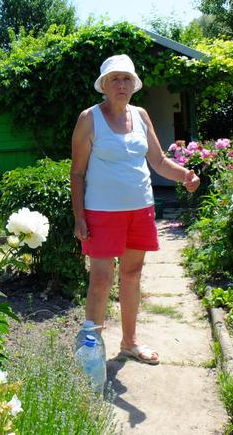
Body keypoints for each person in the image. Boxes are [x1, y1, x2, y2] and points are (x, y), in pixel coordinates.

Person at [70, 54, 200, 365]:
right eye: (114, 78)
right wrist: (79, 216)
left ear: (134, 84)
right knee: (101, 278)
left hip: (140, 208)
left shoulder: (141, 115)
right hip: (101, 212)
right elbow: (77, 172)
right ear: (103, 85)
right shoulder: (89, 118)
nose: (121, 84)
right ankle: (91, 352)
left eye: (127, 78)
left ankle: (129, 342)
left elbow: (156, 161)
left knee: (132, 273)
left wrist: (185, 175)